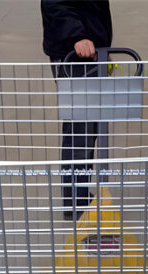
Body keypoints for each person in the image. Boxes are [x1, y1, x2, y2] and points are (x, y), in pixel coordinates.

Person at [40, 0, 113, 220]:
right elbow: (55, 4)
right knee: (79, 132)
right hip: (76, 56)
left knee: (88, 129)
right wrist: (77, 37)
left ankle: (79, 196)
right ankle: (76, 203)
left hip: (90, 54)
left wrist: (101, 49)